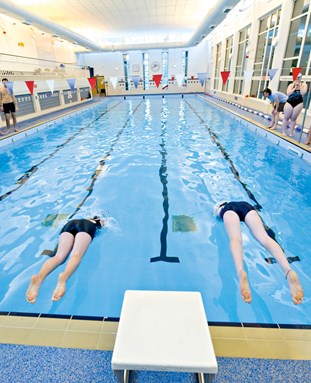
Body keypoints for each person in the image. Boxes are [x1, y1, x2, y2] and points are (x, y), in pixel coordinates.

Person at [214, 201, 304, 305]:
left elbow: (217, 215)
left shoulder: (222, 209)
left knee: (235, 239)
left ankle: (240, 271)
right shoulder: (242, 204)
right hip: (247, 207)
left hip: (229, 210)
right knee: (265, 238)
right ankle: (288, 271)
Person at [26, 216, 104, 303]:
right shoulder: (98, 221)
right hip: (86, 227)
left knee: (59, 256)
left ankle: (39, 278)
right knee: (76, 255)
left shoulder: (82, 218)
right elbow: (102, 226)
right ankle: (64, 277)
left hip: (70, 224)